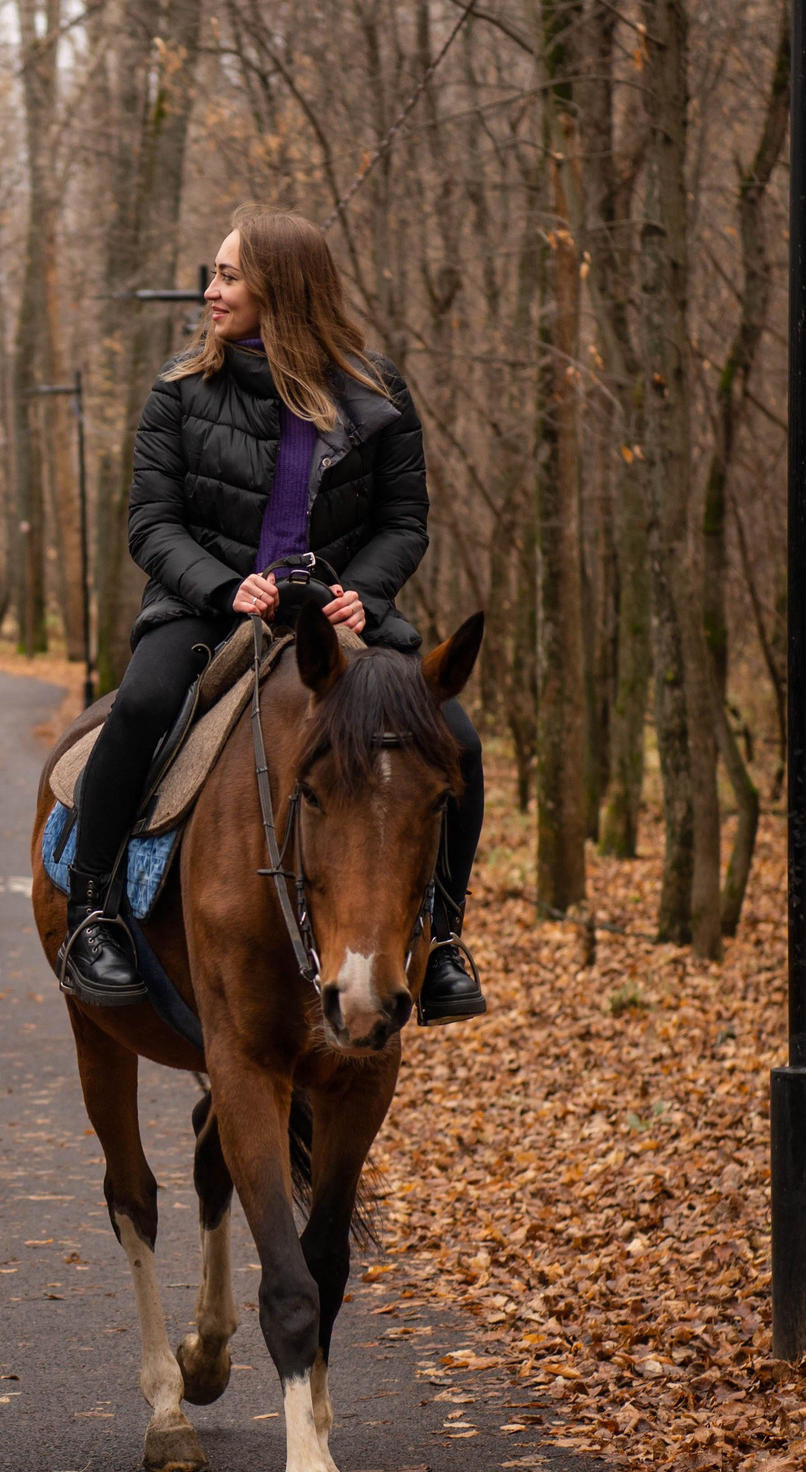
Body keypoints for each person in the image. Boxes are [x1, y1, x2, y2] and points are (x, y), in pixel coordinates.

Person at [56, 206, 488, 1023]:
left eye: (228, 276)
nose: (210, 291)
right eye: (214, 274)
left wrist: (365, 591)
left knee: (457, 738)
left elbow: (404, 521)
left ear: (281, 290)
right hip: (210, 608)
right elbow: (151, 523)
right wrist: (225, 586)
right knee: (142, 704)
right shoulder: (180, 390)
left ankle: (445, 942)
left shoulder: (377, 392)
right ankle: (92, 913)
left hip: (339, 617)